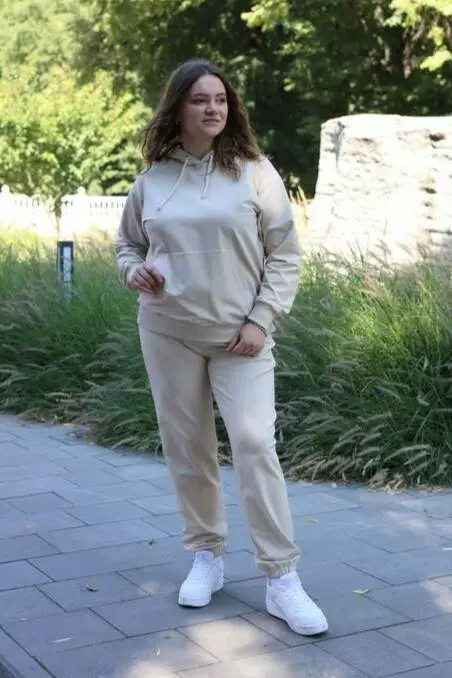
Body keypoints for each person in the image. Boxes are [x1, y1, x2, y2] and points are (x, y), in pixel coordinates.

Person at [116, 58, 328, 636]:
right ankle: (206, 554)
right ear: (178, 108)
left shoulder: (256, 173)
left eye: (221, 99)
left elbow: (285, 255)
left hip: (242, 338)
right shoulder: (152, 180)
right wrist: (134, 271)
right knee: (188, 448)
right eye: (200, 100)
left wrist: (262, 319)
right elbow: (128, 246)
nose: (213, 108)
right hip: (168, 331)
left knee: (255, 444)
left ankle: (281, 578)